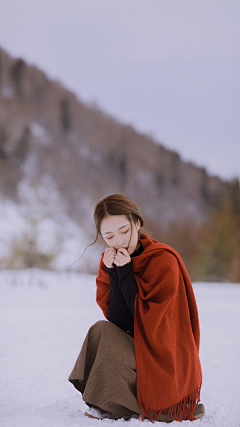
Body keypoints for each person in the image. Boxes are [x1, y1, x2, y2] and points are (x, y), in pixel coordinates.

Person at [68, 194, 205, 422]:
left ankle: (145, 403)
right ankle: (110, 400)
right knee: (101, 331)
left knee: (107, 336)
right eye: (109, 235)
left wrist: (125, 274)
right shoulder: (109, 261)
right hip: (140, 346)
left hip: (166, 357)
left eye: (124, 230)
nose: (118, 241)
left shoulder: (163, 260)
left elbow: (152, 324)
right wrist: (116, 273)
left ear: (137, 223)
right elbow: (120, 324)